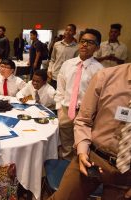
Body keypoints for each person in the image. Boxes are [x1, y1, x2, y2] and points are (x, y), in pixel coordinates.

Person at [48, 63, 131, 200]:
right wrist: (82, 152)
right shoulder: (106, 76)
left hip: (126, 172)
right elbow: (84, 120)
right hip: (92, 158)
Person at [54, 29, 103, 160]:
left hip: (85, 115)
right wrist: (59, 108)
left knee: (82, 145)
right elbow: (60, 88)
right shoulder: (67, 64)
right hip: (65, 111)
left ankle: (76, 170)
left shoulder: (100, 70)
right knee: (65, 144)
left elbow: (99, 97)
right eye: (83, 41)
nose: (85, 45)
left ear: (97, 47)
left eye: (90, 42)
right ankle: (63, 170)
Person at [48, 24, 79, 89]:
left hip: (67, 77)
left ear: (74, 33)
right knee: (52, 95)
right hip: (55, 75)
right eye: (66, 30)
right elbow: (52, 59)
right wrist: (50, 70)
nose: (67, 32)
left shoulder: (77, 47)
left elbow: (77, 63)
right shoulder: (57, 44)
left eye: (70, 30)